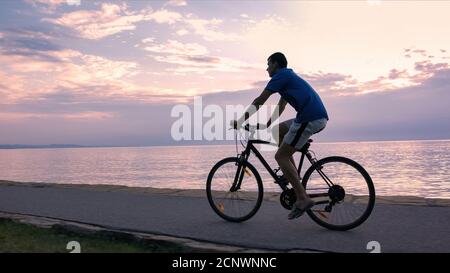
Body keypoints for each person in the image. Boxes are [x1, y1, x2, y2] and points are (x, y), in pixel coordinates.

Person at [231, 52, 329, 220]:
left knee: (281, 156)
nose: (267, 68)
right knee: (276, 132)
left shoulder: (281, 76)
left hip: (310, 118)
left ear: (276, 64)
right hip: (312, 116)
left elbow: (259, 101)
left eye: (268, 64)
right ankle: (292, 175)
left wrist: (241, 121)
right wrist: (268, 125)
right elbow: (280, 107)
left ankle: (303, 198)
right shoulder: (287, 78)